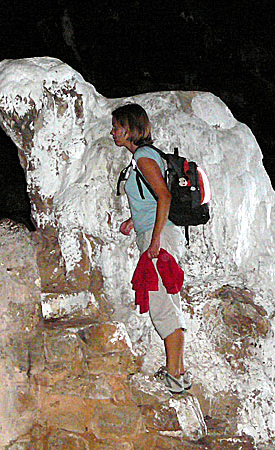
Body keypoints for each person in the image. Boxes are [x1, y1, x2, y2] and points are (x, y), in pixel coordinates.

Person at [111, 103, 188, 393]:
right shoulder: (146, 157)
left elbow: (164, 196)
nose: (113, 132)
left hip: (159, 238)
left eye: (118, 126)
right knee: (169, 302)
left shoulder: (143, 157)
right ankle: (178, 372)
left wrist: (154, 239)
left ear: (130, 128)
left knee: (161, 305)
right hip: (159, 233)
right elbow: (153, 199)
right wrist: (134, 219)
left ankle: (174, 376)